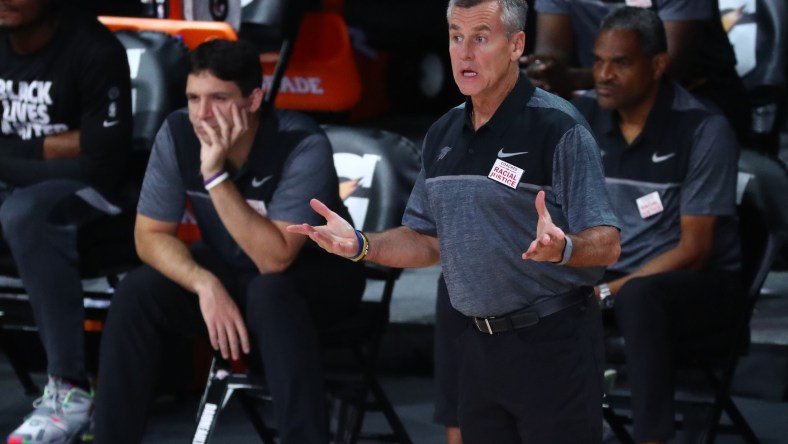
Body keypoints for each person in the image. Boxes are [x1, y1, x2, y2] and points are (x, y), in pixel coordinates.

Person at [288, 0, 621, 441]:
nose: (464, 52)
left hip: (552, 342)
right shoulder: (443, 134)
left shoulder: (557, 127)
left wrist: (565, 249)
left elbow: (608, 243)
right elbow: (426, 241)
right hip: (477, 345)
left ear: (516, 44)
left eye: (481, 37)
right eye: (455, 37)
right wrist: (361, 245)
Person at [92, 39, 365, 444]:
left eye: (218, 98)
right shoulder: (178, 133)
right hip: (233, 268)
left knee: (270, 294)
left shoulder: (300, 144)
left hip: (315, 275)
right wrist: (204, 284)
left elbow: (275, 258)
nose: (202, 114)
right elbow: (148, 237)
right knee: (138, 291)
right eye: (193, 98)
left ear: (253, 99)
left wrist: (215, 176)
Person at [571, 7, 742, 443]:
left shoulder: (702, 128)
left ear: (658, 65)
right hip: (605, 278)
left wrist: (608, 292)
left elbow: (695, 249)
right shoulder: (580, 116)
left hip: (692, 288)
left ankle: (651, 438)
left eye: (621, 62)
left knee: (641, 298)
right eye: (597, 61)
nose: (604, 74)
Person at [0, 0, 132, 442]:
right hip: (17, 186)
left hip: (95, 197)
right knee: (19, 209)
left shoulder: (93, 49)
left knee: (25, 214)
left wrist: (9, 155)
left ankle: (70, 393)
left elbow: (98, 163)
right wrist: (51, 146)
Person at [522, 0, 751, 146]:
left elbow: (667, 65)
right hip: (603, 99)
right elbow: (553, 50)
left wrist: (573, 79)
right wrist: (544, 70)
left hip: (695, 95)